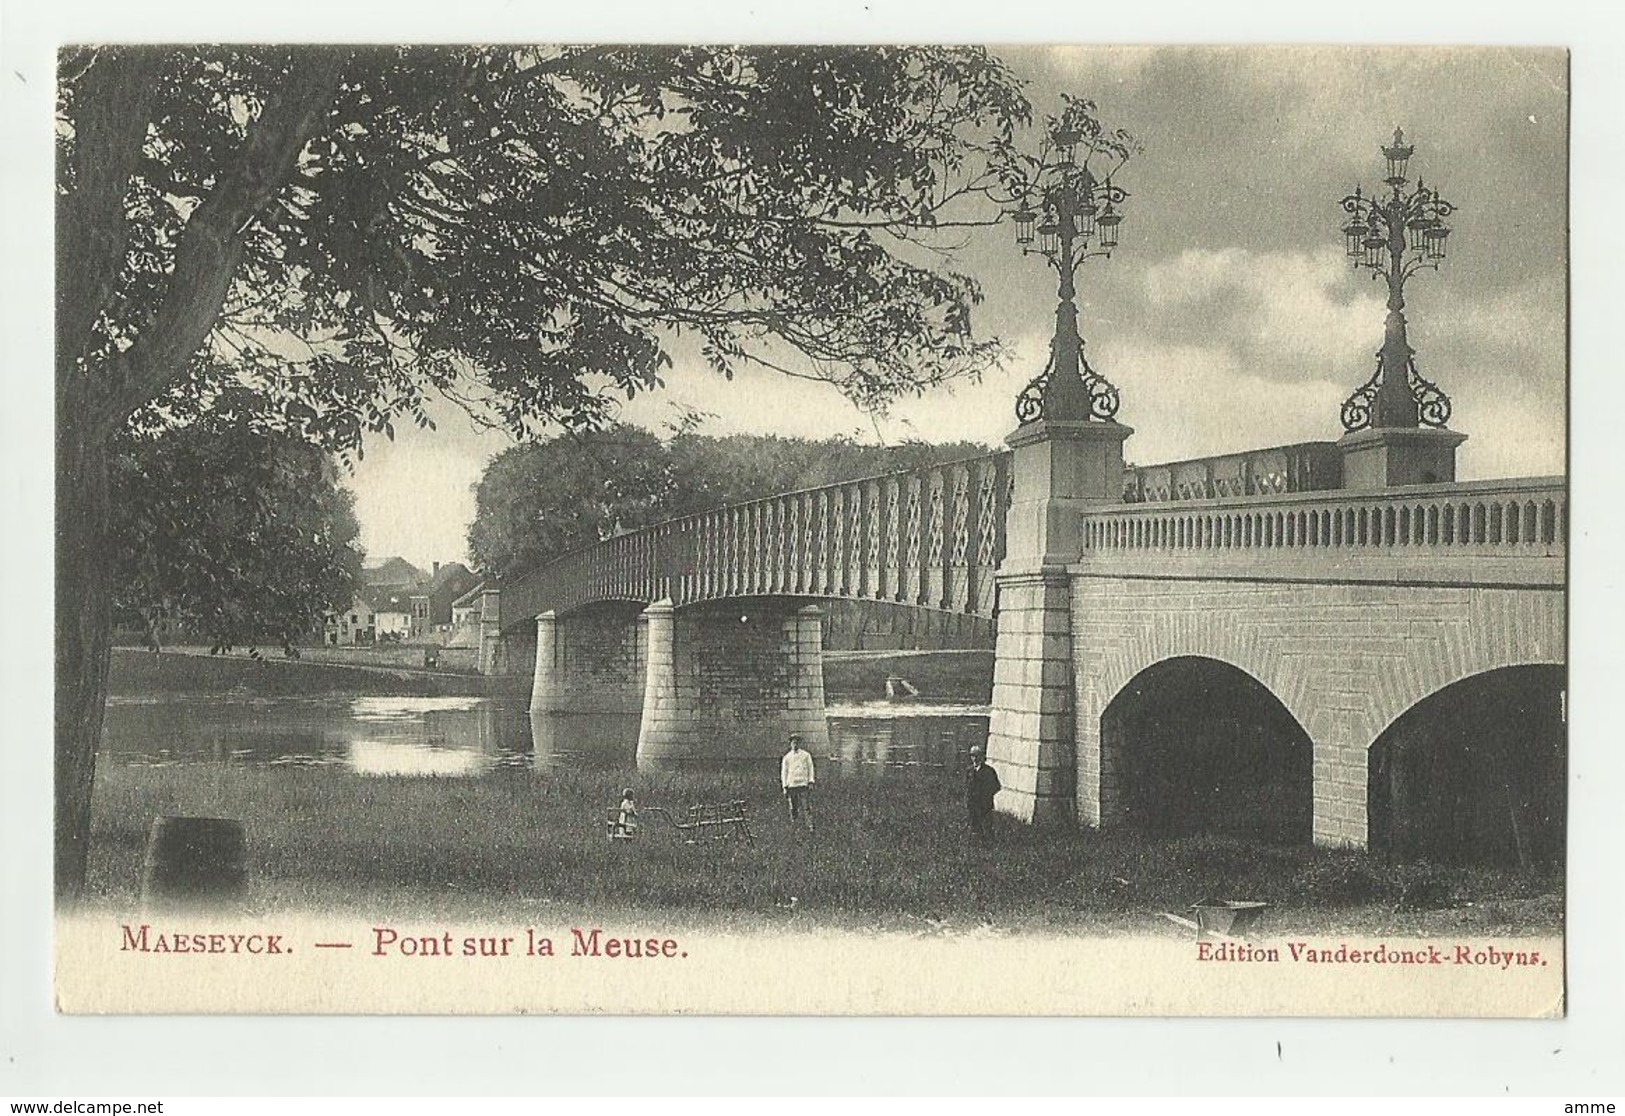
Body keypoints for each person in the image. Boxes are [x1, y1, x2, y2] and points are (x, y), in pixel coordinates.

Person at [780, 734, 816, 831]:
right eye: (793, 743)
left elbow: (810, 768)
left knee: (806, 807)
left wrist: (811, 781)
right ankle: (794, 826)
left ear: (800, 743)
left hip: (803, 785)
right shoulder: (787, 757)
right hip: (792, 785)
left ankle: (810, 826)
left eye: (797, 743)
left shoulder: (806, 755)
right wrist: (784, 786)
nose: (795, 745)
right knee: (793, 807)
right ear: (790, 744)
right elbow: (784, 772)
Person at [966, 744, 1000, 838]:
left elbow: (996, 786)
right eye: (972, 756)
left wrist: (986, 796)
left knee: (987, 827)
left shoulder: (989, 771)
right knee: (974, 827)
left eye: (977, 756)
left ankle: (988, 845)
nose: (975, 758)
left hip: (985, 805)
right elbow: (967, 787)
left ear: (981, 757)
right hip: (973, 804)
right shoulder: (969, 771)